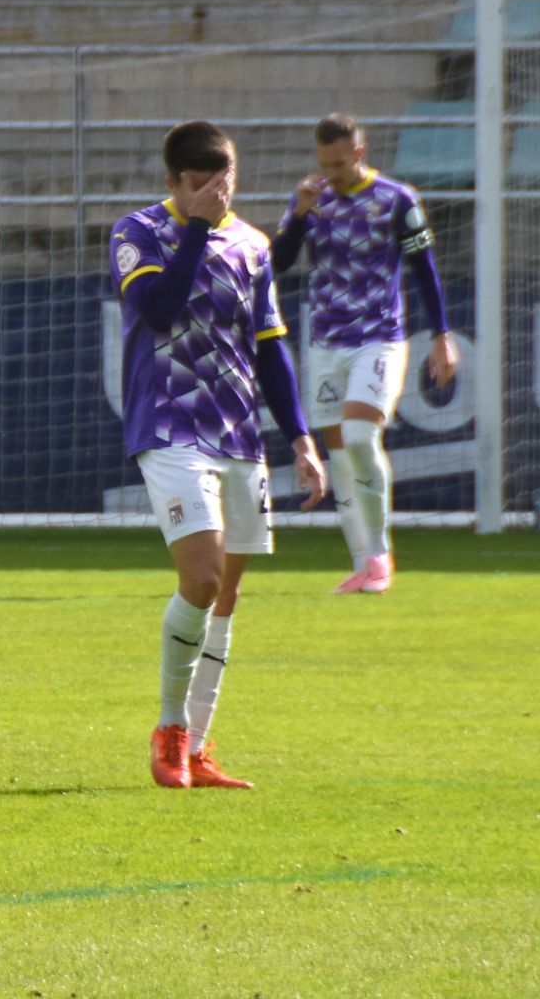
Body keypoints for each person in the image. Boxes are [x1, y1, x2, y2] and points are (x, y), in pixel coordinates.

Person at [110, 121, 327, 789]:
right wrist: (198, 228)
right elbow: (158, 310)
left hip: (238, 433)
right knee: (200, 577)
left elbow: (269, 345)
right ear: (173, 182)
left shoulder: (255, 245)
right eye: (200, 182)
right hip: (170, 426)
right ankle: (170, 727)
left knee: (226, 594)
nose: (215, 191)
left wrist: (299, 437)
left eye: (224, 178)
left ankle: (199, 748)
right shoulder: (139, 232)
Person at [272, 113, 458, 595]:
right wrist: (298, 216)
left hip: (380, 337)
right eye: (323, 163)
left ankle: (379, 555)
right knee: (340, 456)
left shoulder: (397, 200)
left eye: (339, 162)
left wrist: (441, 334)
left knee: (358, 437)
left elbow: (424, 268)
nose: (331, 172)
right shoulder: (311, 198)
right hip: (326, 342)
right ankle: (362, 564)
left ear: (359, 152)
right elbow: (277, 263)